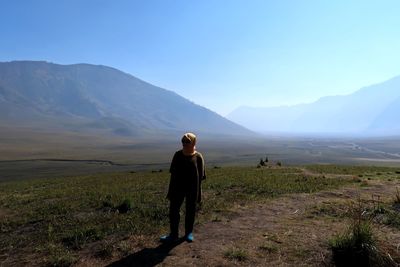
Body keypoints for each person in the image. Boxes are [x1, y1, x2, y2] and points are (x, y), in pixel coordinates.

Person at [160, 132, 206, 243]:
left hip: (192, 188)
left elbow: (201, 176)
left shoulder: (198, 157)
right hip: (177, 187)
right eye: (183, 141)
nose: (184, 143)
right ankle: (173, 234)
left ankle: (188, 233)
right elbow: (173, 172)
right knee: (173, 210)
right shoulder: (177, 155)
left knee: (191, 210)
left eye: (187, 141)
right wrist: (171, 189)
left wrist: (198, 191)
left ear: (193, 142)